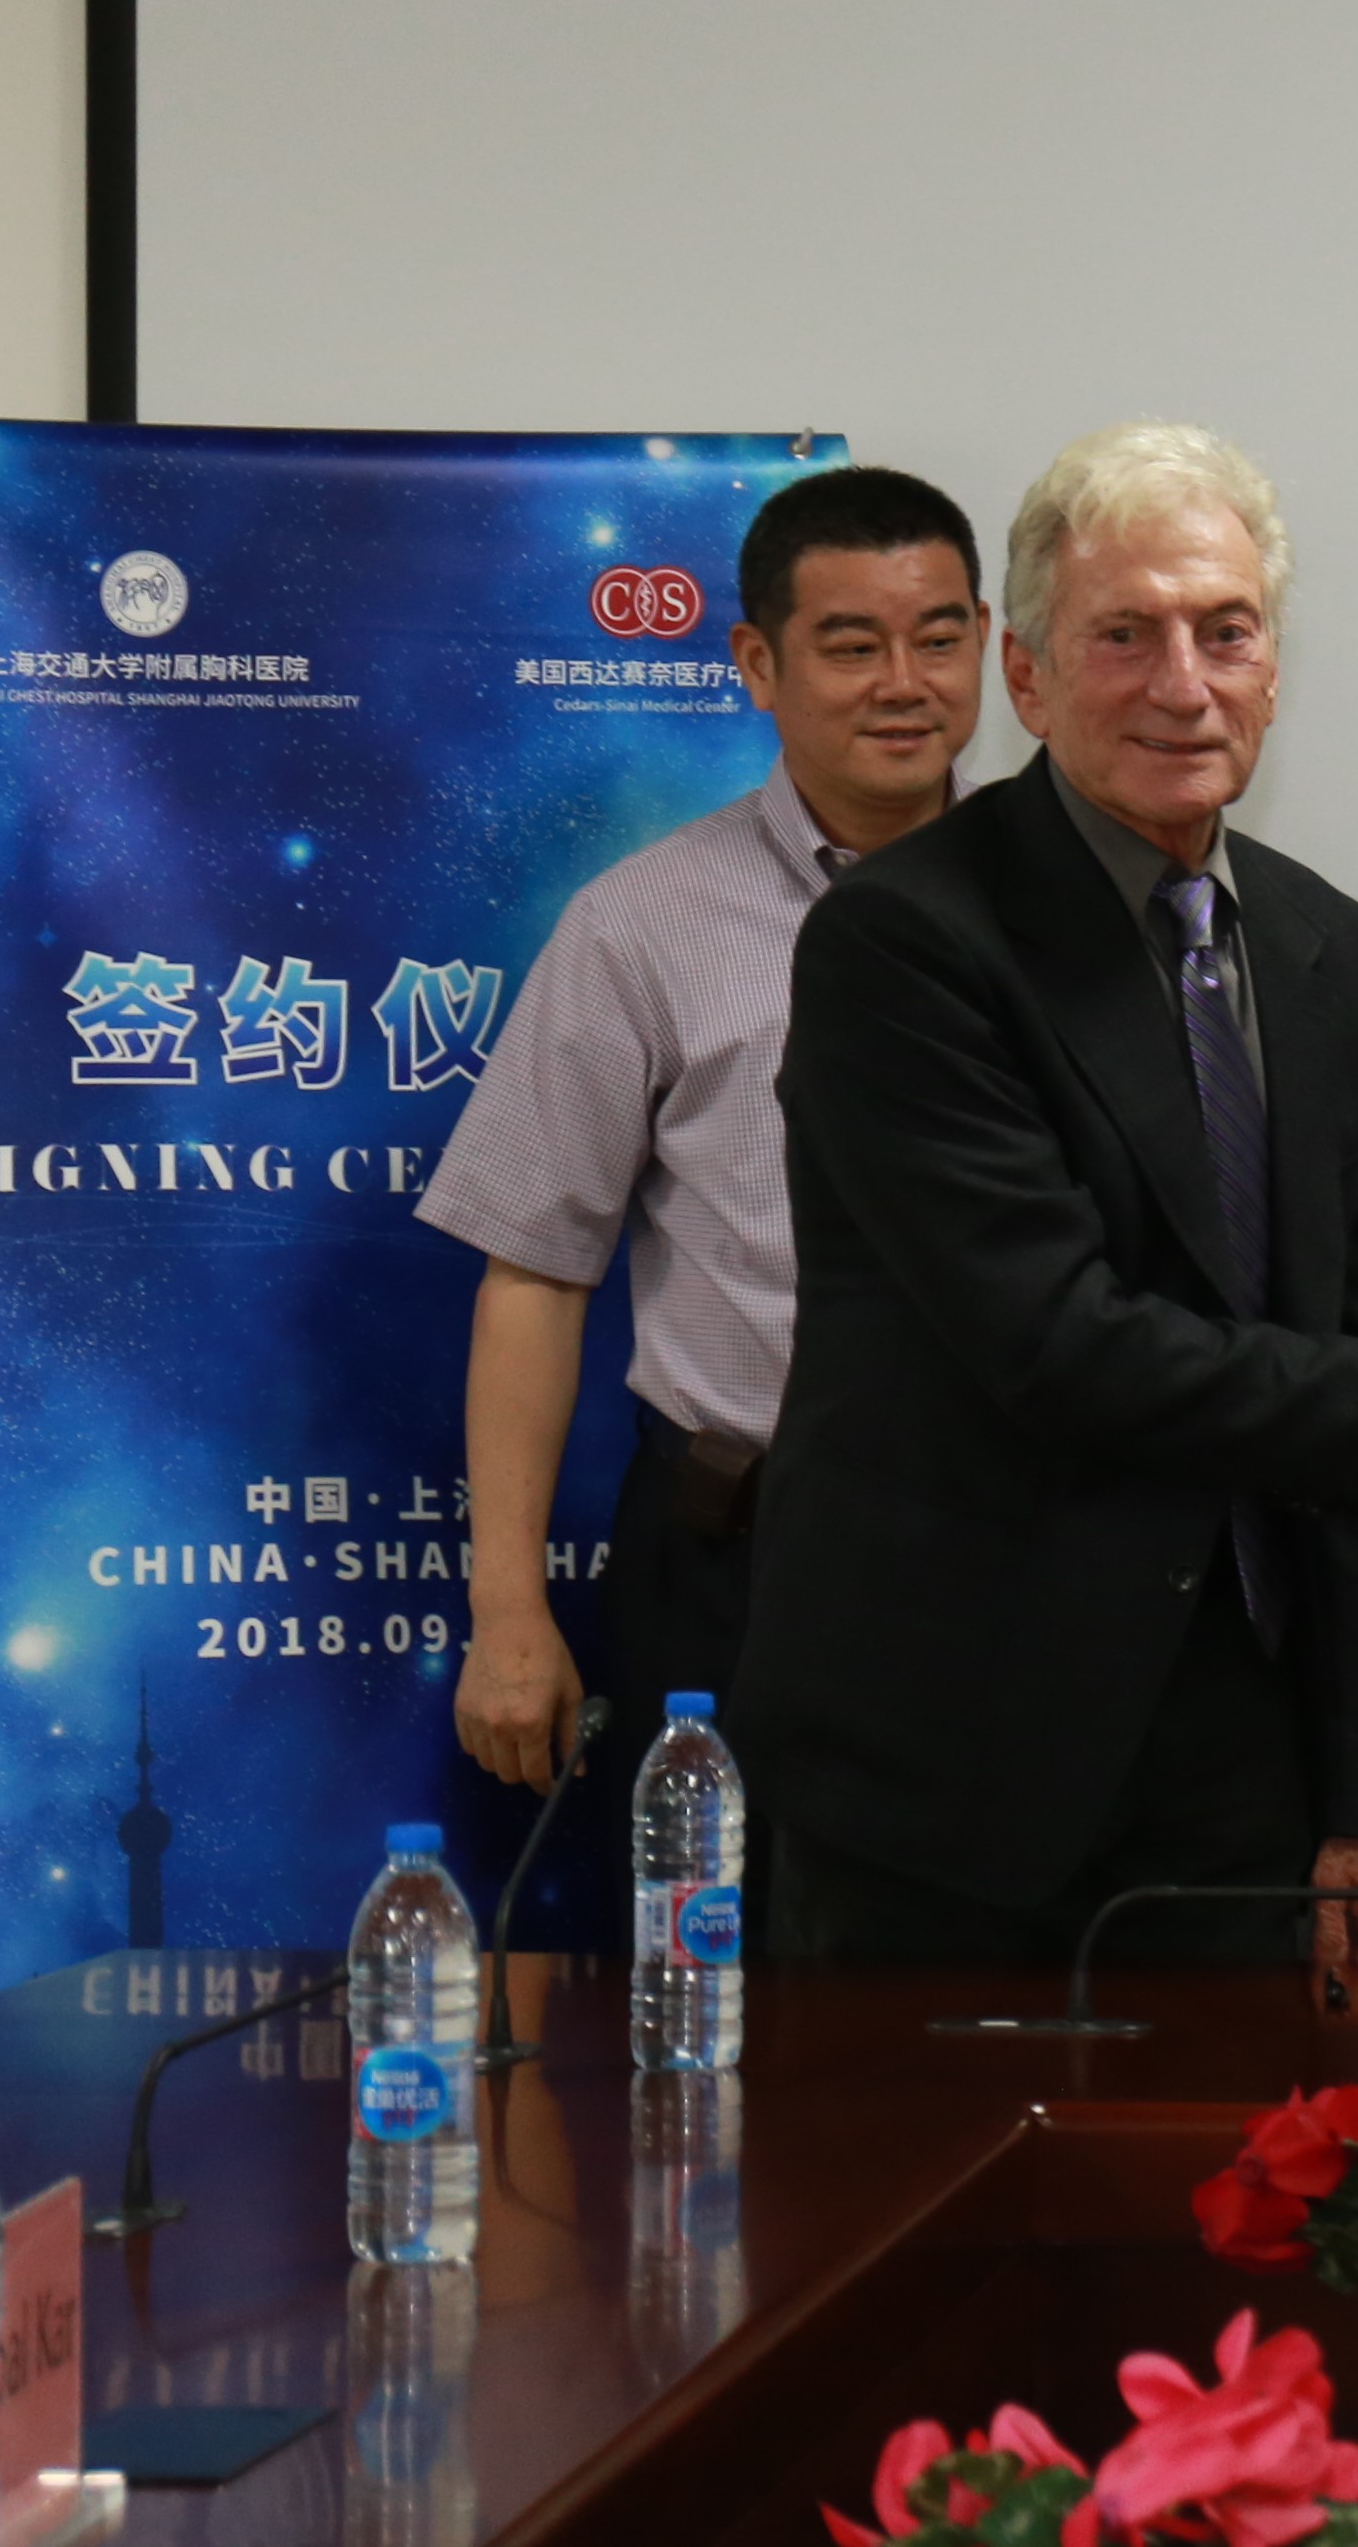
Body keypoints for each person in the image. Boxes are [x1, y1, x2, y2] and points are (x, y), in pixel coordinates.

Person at [728, 421, 1358, 1969]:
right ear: (1027, 676)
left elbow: (1349, 1342)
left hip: (1247, 1767)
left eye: (1225, 631)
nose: (1184, 683)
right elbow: (1063, 1344)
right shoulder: (904, 942)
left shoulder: (1323, 945)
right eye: (1126, 635)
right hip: (957, 1777)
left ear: (1273, 669)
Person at [423, 462, 986, 1789]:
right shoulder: (643, 923)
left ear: (991, 646)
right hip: (740, 1558)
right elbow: (533, 1272)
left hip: (1019, 1555)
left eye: (938, 637)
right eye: (850, 645)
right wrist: (507, 1612)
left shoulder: (1067, 907)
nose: (904, 683)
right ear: (757, 663)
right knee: (737, 1919)